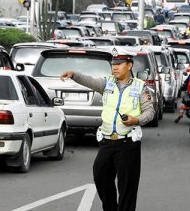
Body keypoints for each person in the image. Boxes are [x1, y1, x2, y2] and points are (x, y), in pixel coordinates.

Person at [60, 48, 155, 211]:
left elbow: (150, 111)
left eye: (119, 64)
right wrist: (73, 74)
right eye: (113, 64)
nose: (115, 67)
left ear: (129, 65)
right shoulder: (107, 83)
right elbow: (88, 80)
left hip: (127, 144)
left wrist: (136, 120)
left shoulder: (140, 87)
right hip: (107, 142)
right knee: (100, 176)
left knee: (127, 189)